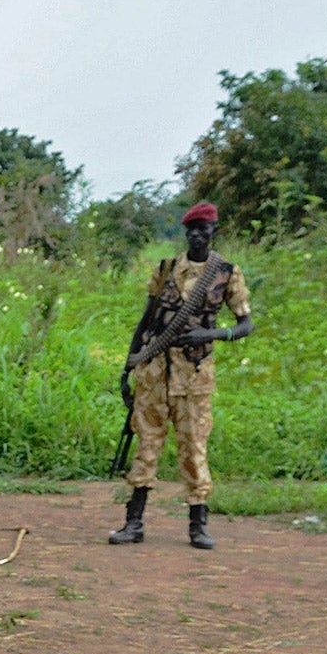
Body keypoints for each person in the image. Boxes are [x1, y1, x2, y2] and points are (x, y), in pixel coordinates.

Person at [110, 200, 253, 549]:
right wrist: (129, 364)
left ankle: (197, 527)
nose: (196, 236)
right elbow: (147, 318)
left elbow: (246, 325)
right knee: (146, 447)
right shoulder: (167, 267)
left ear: (213, 232)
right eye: (191, 230)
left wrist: (212, 334)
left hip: (195, 378)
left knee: (193, 451)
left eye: (203, 230)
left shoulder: (227, 273)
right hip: (154, 373)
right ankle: (133, 523)